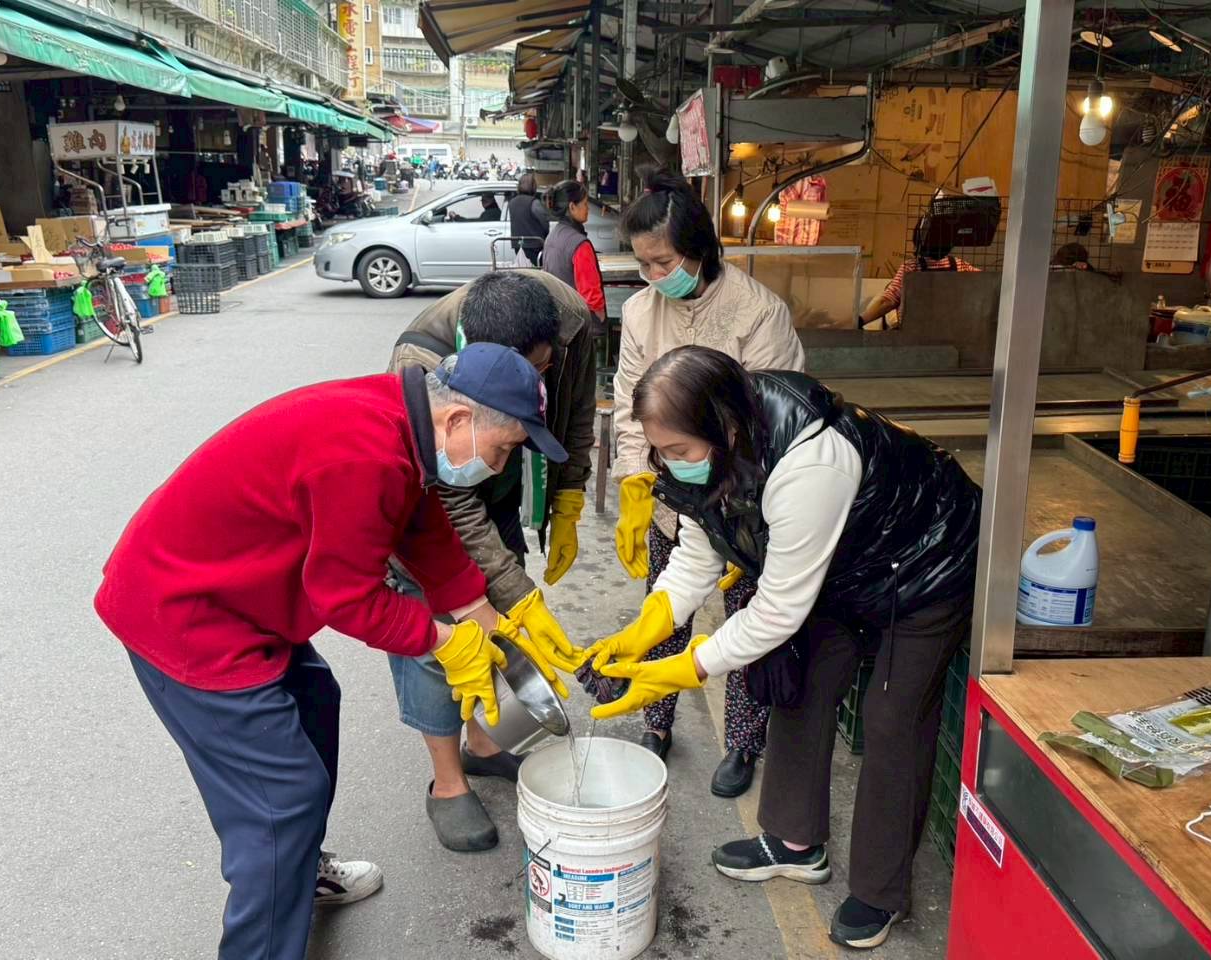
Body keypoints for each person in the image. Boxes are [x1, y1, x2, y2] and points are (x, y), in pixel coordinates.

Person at [94, 343, 568, 960]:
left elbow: (422, 529)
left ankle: (297, 872)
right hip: (186, 616)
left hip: (239, 599)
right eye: (503, 449)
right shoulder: (365, 455)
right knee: (280, 804)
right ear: (457, 419)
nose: (500, 465)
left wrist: (493, 621)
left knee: (315, 701)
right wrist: (444, 640)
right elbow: (347, 598)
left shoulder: (404, 424)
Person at [586, 345, 981, 951]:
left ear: (726, 428)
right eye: (661, 451)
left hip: (926, 561)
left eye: (680, 451)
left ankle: (881, 892)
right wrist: (648, 625)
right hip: (843, 565)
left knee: (893, 717)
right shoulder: (713, 454)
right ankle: (796, 843)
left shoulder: (811, 463)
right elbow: (697, 553)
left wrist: (682, 669)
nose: (671, 464)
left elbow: (775, 611)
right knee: (802, 681)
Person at [612, 166, 805, 798]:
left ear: (699, 249)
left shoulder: (758, 313)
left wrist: (731, 506)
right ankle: (656, 720)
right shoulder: (641, 312)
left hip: (745, 501)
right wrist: (636, 483)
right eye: (643, 264)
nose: (653, 276)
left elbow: (770, 421)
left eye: (663, 262)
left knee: (746, 619)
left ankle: (744, 740)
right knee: (663, 609)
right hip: (673, 494)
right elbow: (630, 403)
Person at [388, 270, 597, 851]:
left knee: (496, 624)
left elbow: (578, 409)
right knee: (439, 636)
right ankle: (447, 782)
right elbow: (442, 502)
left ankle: (482, 744)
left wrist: (568, 495)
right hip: (436, 497)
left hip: (488, 481)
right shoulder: (419, 364)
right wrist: (494, 592)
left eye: (541, 371)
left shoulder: (568, 320)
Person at [858, 241, 980, 331]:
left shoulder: (911, 267)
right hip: (952, 335)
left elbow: (887, 301)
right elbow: (985, 286)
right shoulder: (960, 265)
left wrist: (861, 320)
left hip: (915, 336)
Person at [543, 179, 607, 330]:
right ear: (572, 207)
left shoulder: (552, 235)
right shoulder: (580, 244)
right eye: (585, 204)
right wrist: (600, 316)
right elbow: (591, 294)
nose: (588, 208)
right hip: (582, 323)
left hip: (560, 319)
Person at [508, 172, 551, 267]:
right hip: (535, 244)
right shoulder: (534, 203)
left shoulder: (512, 202)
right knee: (536, 270)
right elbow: (544, 222)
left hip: (518, 244)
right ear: (533, 186)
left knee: (523, 268)